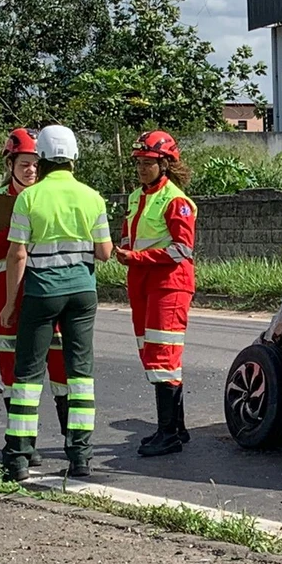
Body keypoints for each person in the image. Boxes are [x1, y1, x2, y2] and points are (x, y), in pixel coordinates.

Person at [0, 125, 113, 481]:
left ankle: (18, 458)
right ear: (74, 158)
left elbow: (17, 255)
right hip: (82, 294)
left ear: (43, 158)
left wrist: (8, 304)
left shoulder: (29, 199)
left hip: (41, 294)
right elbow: (105, 253)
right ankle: (80, 456)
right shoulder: (93, 197)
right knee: (80, 375)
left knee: (28, 376)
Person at [0, 128, 68, 466]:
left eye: (35, 165)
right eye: (24, 164)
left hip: (46, 292)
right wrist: (12, 238)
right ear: (10, 164)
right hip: (6, 296)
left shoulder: (46, 199)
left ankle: (72, 442)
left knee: (61, 369)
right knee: (14, 376)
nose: (31, 171)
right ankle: (24, 444)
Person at [116, 130, 197, 458]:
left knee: (164, 357)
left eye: (148, 162)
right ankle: (176, 427)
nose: (142, 168)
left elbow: (181, 249)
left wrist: (136, 257)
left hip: (168, 285)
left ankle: (169, 435)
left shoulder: (177, 201)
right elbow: (129, 231)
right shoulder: (138, 196)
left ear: (165, 163)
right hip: (142, 284)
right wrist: (124, 248)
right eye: (139, 162)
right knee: (152, 355)